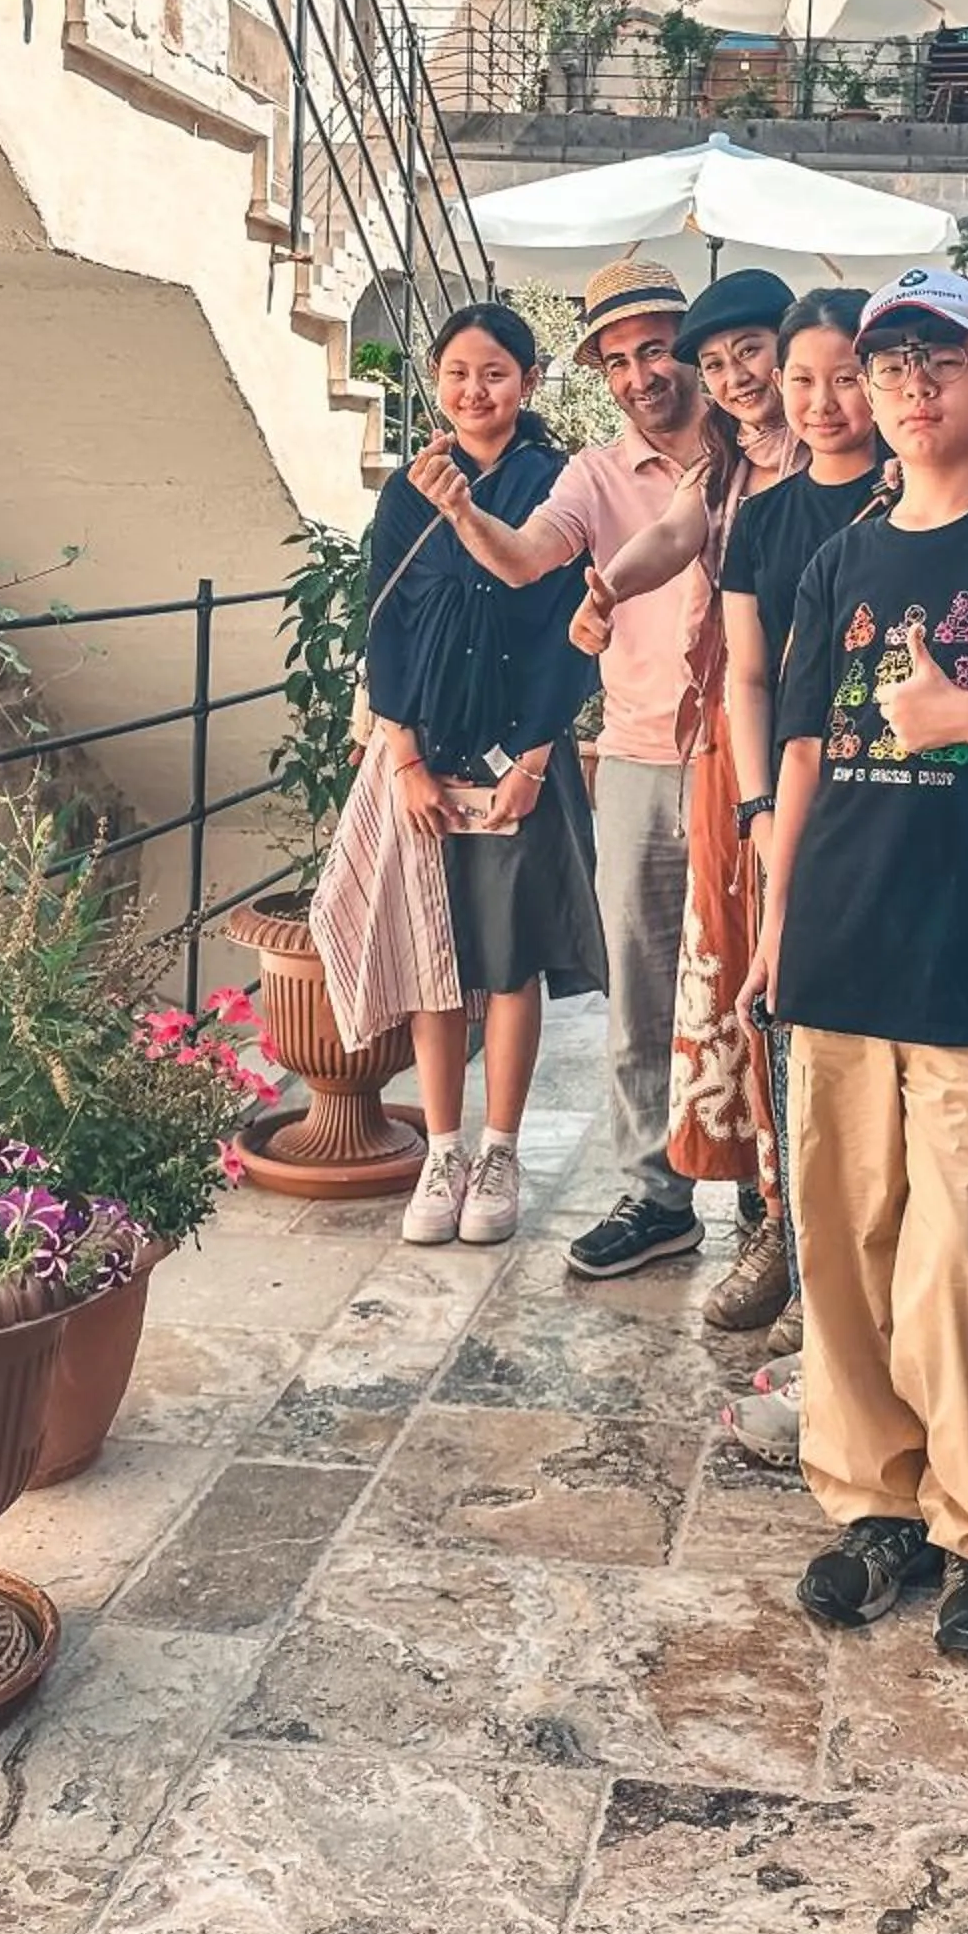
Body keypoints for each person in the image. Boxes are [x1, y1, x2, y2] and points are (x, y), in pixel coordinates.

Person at [740, 265, 968, 1660]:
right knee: (842, 1246)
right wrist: (776, 925)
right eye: (886, 363)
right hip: (840, 943)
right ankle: (868, 1506)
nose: (906, 385)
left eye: (936, 361)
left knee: (963, 1259)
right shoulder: (840, 556)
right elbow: (797, 749)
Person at [406, 258, 711, 1279]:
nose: (638, 374)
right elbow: (528, 559)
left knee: (760, 980)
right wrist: (458, 512)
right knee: (641, 991)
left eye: (656, 348)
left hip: (746, 758)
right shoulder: (590, 476)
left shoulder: (759, 454)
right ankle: (655, 1194)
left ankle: (768, 1194)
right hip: (632, 753)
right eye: (617, 360)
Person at [316, 304, 604, 1248]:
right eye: (456, 373)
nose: (475, 391)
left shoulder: (556, 482)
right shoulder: (410, 486)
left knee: (508, 956)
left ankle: (501, 1148)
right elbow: (384, 624)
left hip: (522, 749)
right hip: (428, 750)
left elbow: (573, 626)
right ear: (433, 381)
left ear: (526, 383)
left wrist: (534, 759)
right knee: (435, 960)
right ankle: (442, 1149)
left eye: (495, 373)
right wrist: (402, 758)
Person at [568, 268, 801, 1333]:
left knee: (778, 986)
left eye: (714, 353)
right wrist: (600, 586)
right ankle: (684, 1197)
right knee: (677, 985)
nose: (653, 373)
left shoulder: (850, 456)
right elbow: (653, 544)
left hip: (801, 758)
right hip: (699, 754)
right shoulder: (723, 472)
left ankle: (786, 1205)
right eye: (713, 360)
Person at [712, 287, 888, 1460]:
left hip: (905, 801)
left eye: (844, 377)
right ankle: (787, 1226)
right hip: (792, 804)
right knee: (787, 1027)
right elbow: (746, 678)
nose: (822, 403)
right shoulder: (764, 519)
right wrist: (760, 809)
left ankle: (864, 1313)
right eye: (804, 382)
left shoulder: (916, 491)